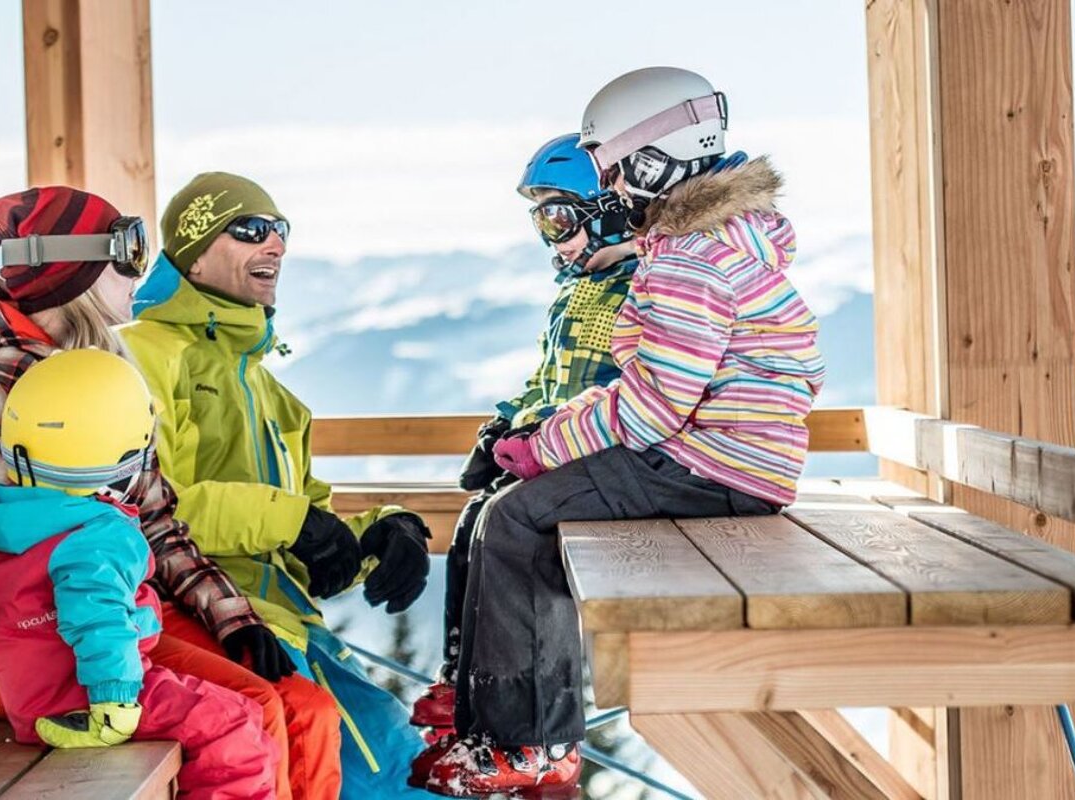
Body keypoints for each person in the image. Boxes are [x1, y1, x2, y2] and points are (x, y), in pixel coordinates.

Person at [422, 67, 827, 797]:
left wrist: (542, 447)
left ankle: (525, 742)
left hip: (703, 463)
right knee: (519, 515)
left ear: (651, 161)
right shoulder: (716, 244)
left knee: (517, 518)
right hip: (724, 457)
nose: (612, 190)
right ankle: (512, 722)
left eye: (613, 172)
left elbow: (650, 406)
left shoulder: (690, 261)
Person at [0, 185, 341, 800]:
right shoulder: (8, 380)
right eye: (127, 253)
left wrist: (230, 617)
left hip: (117, 603)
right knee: (257, 709)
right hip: (51, 636)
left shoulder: (97, 364)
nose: (143, 274)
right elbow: (8, 554)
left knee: (305, 707)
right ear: (78, 272)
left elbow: (154, 514)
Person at [120, 172, 435, 799]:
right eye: (251, 230)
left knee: (409, 759)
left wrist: (384, 531)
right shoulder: (144, 354)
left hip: (287, 626)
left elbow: (312, 541)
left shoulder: (270, 394)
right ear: (195, 250)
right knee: (390, 775)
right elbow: (149, 503)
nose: (276, 246)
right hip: (199, 613)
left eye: (281, 231)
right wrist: (292, 521)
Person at [410, 134, 636, 751]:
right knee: (475, 518)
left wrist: (541, 436)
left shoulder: (637, 288)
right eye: (542, 222)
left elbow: (617, 392)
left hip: (599, 455)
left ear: (610, 211)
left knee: (512, 528)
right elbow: (550, 380)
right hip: (558, 447)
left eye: (560, 218)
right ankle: (464, 677)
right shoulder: (578, 289)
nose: (552, 238)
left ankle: (533, 727)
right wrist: (507, 422)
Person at [0, 348, 279, 799]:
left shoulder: (2, 523)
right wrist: (115, 699)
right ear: (130, 453)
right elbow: (99, 618)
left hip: (26, 694)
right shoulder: (100, 532)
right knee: (237, 724)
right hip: (88, 698)